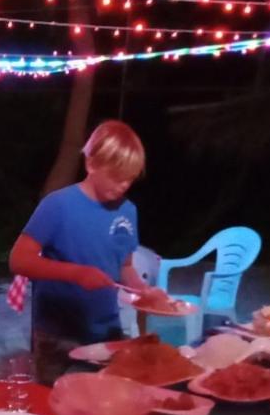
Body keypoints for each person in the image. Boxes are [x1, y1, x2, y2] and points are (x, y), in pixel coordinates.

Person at [9, 120, 162, 384]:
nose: (124, 185)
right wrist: (75, 273)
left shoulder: (128, 211)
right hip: (58, 334)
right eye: (117, 176)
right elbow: (19, 260)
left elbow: (125, 266)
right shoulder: (58, 205)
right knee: (54, 402)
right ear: (91, 164)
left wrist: (143, 291)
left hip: (106, 331)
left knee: (104, 403)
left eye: (130, 179)